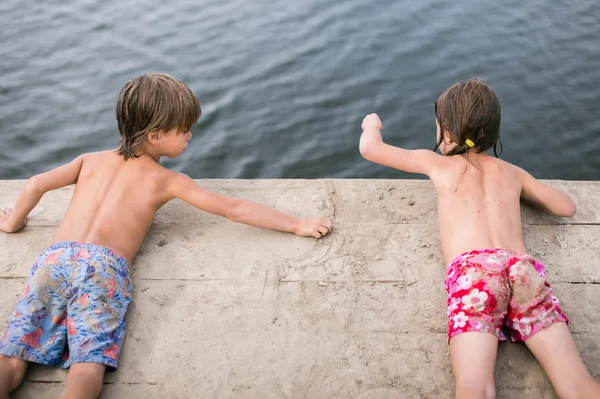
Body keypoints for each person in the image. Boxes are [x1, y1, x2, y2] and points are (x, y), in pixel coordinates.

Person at [0, 73, 332, 399]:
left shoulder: (90, 160)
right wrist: (296, 224)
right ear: (156, 135)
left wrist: (14, 222)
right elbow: (232, 208)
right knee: (87, 367)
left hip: (55, 260)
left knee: (14, 356)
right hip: (100, 269)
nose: (189, 136)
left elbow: (35, 184)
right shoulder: (163, 179)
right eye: (184, 130)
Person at [359, 79, 600, 399]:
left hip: (476, 274)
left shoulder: (438, 165)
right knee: (576, 384)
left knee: (476, 386)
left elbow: (370, 149)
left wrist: (371, 125)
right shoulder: (511, 172)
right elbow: (565, 207)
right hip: (522, 269)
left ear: (445, 131)